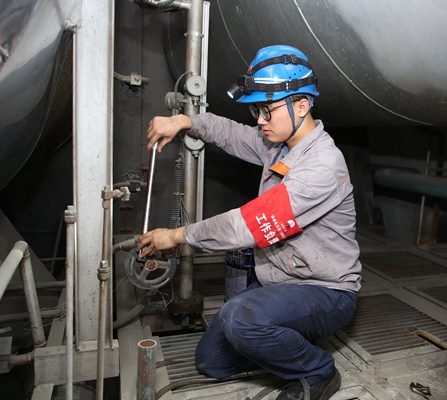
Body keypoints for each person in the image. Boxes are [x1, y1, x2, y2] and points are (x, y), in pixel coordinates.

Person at [136, 45, 362, 400]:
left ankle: (318, 371)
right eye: (257, 110)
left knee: (241, 319)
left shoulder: (322, 165)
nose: (260, 120)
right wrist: (184, 121)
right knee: (211, 361)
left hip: (326, 290)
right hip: (280, 282)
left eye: (267, 110)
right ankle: (285, 340)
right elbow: (228, 132)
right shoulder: (278, 144)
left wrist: (177, 235)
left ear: (302, 105)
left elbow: (247, 225)